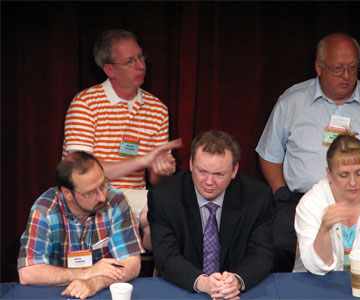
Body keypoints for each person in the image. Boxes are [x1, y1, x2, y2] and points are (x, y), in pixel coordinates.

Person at [256, 33, 360, 271]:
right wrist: (280, 192)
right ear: (319, 67)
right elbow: (269, 154)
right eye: (337, 69)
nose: (346, 76)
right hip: (298, 200)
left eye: (353, 68)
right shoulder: (292, 102)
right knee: (277, 249)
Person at [62, 29, 182, 250]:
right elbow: (81, 172)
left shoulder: (157, 109)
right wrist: (143, 161)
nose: (140, 65)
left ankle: (154, 264)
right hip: (91, 195)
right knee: (165, 207)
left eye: (140, 57)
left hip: (137, 200)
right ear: (109, 69)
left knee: (170, 206)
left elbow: (155, 180)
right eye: (130, 61)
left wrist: (161, 169)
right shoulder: (86, 104)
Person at [148, 130, 274, 299]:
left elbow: (262, 254)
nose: (208, 182)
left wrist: (236, 281)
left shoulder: (258, 197)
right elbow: (166, 256)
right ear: (191, 164)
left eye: (219, 174)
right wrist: (203, 283)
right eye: (202, 171)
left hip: (234, 293)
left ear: (234, 170)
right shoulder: (164, 197)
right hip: (185, 289)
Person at [17, 151, 144, 299]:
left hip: (102, 290)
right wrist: (87, 272)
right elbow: (28, 272)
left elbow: (131, 263)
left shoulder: (115, 201)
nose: (102, 196)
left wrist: (94, 283)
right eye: (90, 193)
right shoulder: (45, 211)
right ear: (68, 194)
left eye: (103, 184)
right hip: (57, 293)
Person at [294, 132, 360, 274]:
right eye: (344, 175)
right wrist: (324, 229)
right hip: (317, 285)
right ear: (329, 174)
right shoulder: (310, 204)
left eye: (359, 173)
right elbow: (316, 268)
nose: (353, 182)